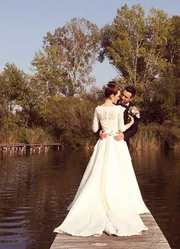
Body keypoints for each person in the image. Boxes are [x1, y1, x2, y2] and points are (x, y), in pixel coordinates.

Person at [54, 81, 149, 237]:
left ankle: (125, 200)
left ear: (131, 99)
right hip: (113, 143)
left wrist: (121, 133)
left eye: (125, 96)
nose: (122, 97)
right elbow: (115, 127)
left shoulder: (103, 109)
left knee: (110, 171)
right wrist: (105, 132)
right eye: (121, 94)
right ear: (115, 95)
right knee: (110, 171)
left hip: (111, 143)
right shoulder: (118, 108)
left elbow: (128, 129)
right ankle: (115, 201)